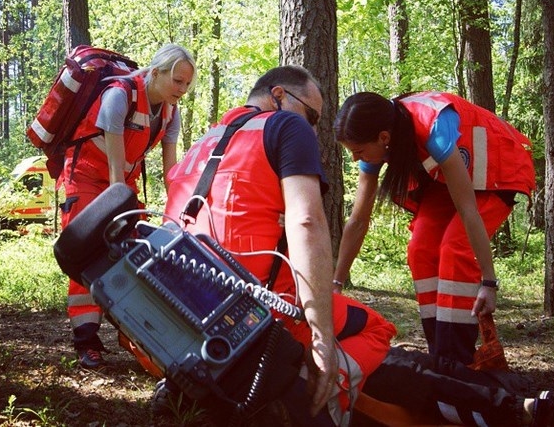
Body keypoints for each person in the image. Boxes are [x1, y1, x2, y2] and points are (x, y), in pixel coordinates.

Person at [164, 65, 396, 426]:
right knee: (378, 329)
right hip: (254, 315)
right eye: (313, 116)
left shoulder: (206, 141)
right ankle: (315, 402)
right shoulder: (286, 126)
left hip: (181, 316)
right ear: (279, 96)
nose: (314, 129)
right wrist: (321, 339)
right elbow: (307, 222)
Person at [332, 91, 536, 365]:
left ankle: (457, 360)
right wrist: (336, 284)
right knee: (420, 249)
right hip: (449, 183)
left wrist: (489, 282)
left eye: (358, 151)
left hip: (496, 172)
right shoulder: (382, 134)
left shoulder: (434, 128)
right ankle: (440, 354)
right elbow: (358, 220)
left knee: (455, 247)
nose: (356, 159)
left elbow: (467, 209)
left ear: (383, 138)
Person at [60, 43, 196, 369]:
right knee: (87, 255)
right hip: (88, 177)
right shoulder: (120, 95)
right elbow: (113, 174)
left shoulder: (170, 112)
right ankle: (86, 341)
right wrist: (120, 206)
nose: (183, 89)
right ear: (156, 71)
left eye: (187, 84)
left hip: (122, 181)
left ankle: (131, 331)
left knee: (133, 256)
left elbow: (171, 172)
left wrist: (181, 212)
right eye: (177, 81)